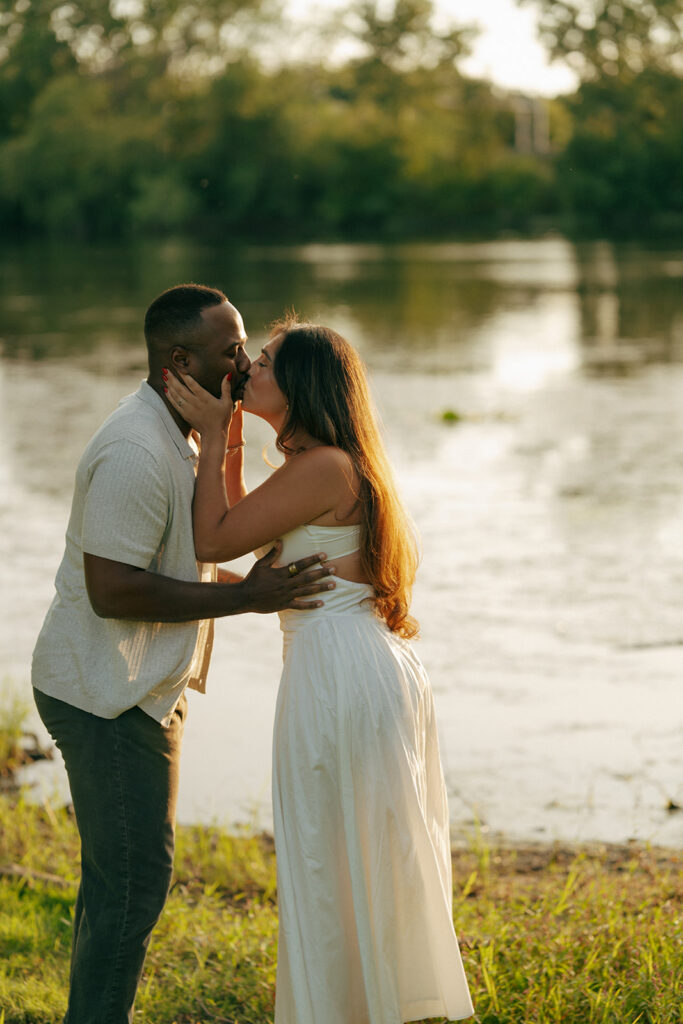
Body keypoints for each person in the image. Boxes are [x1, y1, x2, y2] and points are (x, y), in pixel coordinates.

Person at [31, 285, 335, 1024]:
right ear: (178, 359)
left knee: (118, 884)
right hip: (104, 695)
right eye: (230, 349)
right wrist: (248, 598)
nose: (240, 361)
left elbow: (180, 563)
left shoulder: (184, 432)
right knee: (135, 884)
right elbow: (114, 590)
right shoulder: (136, 449)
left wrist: (266, 587)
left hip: (139, 686)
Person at [164, 315, 474, 1024]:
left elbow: (210, 536)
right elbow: (240, 520)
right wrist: (232, 432)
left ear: (300, 384)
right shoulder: (320, 467)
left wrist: (213, 433)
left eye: (264, 362)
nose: (247, 368)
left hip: (339, 671)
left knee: (332, 854)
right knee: (337, 854)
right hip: (347, 663)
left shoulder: (325, 467)